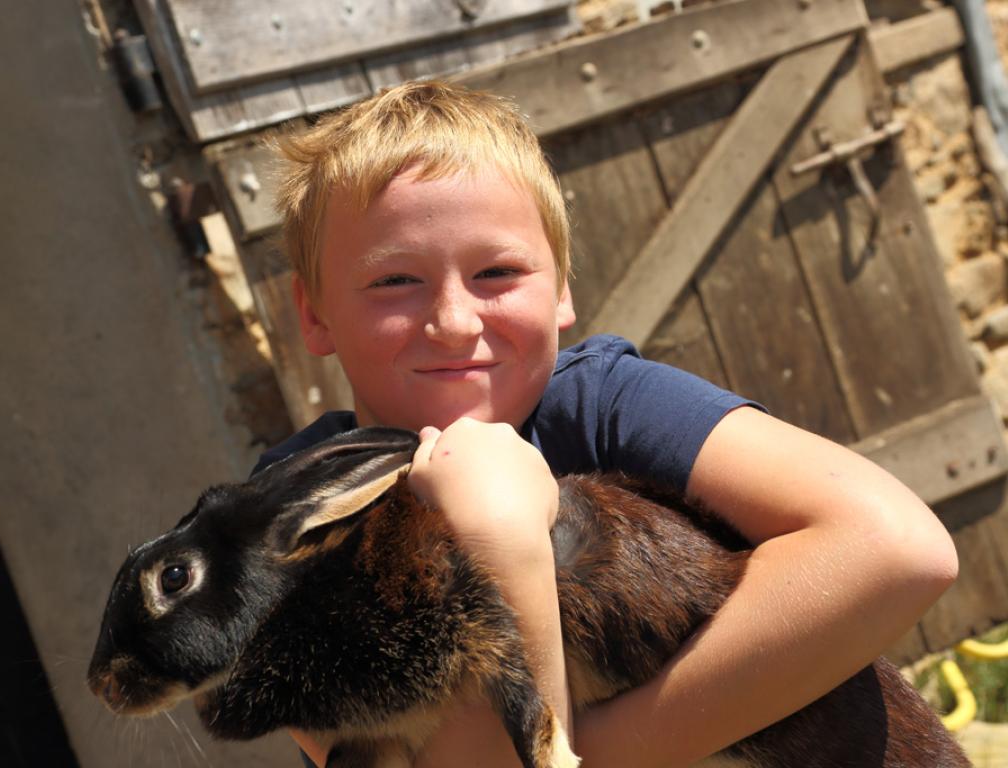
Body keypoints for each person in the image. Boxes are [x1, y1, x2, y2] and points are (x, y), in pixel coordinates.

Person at [258, 80, 959, 767]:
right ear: (314, 312)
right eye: (394, 281)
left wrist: (593, 753)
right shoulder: (284, 523)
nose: (454, 323)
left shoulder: (602, 404)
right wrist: (496, 525)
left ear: (562, 288)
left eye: (497, 272)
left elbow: (899, 548)